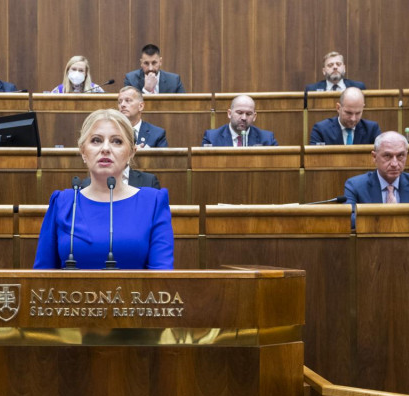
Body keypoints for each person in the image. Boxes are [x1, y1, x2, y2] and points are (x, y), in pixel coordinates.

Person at [34, 109, 174, 269]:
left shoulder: (153, 202)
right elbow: (42, 277)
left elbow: (162, 280)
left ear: (131, 153)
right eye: (96, 140)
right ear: (83, 152)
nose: (106, 148)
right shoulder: (62, 203)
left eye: (117, 141)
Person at [343, 131, 409, 204]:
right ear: (374, 157)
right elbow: (350, 220)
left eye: (400, 156)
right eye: (387, 156)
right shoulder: (356, 186)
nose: (394, 164)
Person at [309, 87, 382, 145]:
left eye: (358, 113)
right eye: (349, 113)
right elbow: (316, 159)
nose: (353, 119)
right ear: (338, 108)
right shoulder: (321, 130)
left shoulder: (372, 129)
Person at [201, 95, 278, 146]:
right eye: (239, 113)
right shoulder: (212, 138)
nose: (244, 118)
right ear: (229, 113)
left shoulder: (267, 139)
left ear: (254, 116)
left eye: (248, 114)